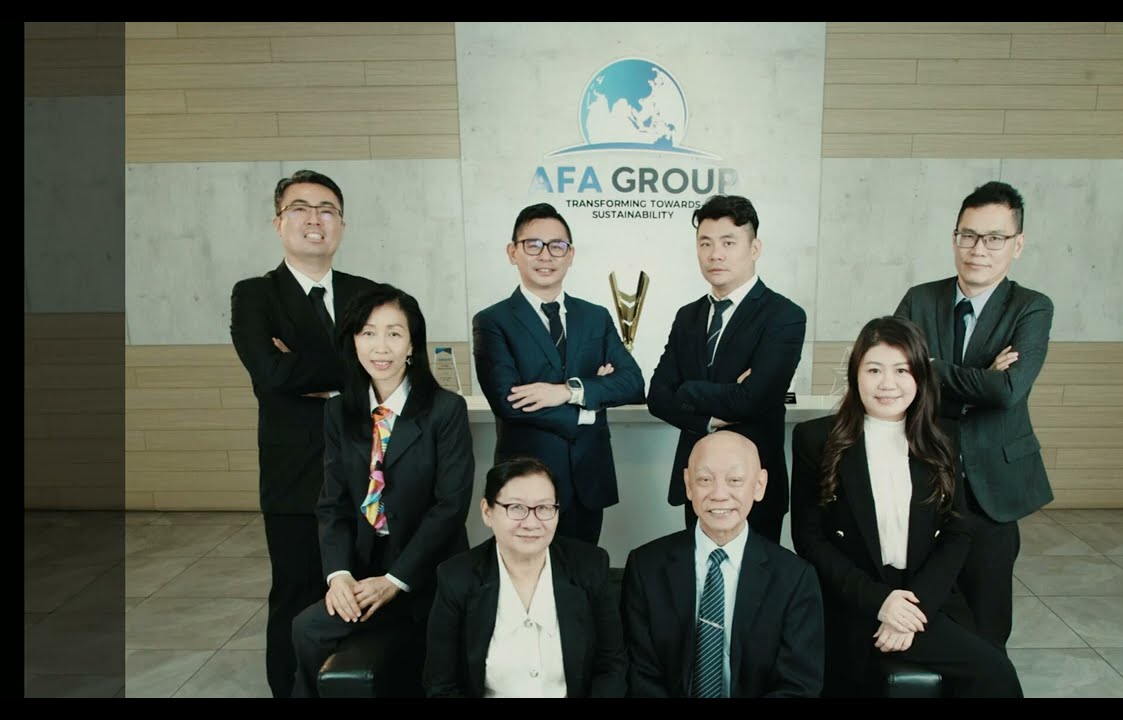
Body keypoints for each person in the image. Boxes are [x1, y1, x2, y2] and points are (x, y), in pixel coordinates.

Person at [791, 316, 1023, 697]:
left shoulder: (943, 438)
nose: (888, 384)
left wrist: (913, 610)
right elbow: (809, 539)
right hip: (853, 598)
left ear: (919, 376)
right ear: (855, 374)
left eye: (902, 370)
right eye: (874, 370)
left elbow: (957, 532)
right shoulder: (815, 439)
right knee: (992, 674)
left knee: (994, 671)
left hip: (924, 595)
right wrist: (880, 603)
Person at [229, 169, 376, 697]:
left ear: (342, 224)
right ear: (279, 222)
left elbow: (397, 366)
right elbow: (270, 375)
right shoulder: (255, 295)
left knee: (364, 592)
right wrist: (352, 365)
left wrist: (306, 367)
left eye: (327, 209)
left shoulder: (367, 294)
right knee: (296, 594)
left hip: (368, 471)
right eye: (300, 208)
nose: (315, 219)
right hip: (295, 476)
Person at [291, 284, 474, 697]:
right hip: (363, 566)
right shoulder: (339, 411)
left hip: (426, 569)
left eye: (394, 333)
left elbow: (450, 507)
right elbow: (333, 504)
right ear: (353, 341)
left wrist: (395, 579)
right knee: (307, 628)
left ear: (411, 344)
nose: (381, 347)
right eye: (368, 333)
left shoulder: (445, 409)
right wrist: (339, 575)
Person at [894, 180, 1054, 651]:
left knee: (988, 618)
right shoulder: (920, 299)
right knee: (919, 606)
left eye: (995, 238)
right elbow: (898, 379)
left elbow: (1008, 391)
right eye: (968, 235)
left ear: (1017, 245)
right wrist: (979, 378)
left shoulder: (1031, 307)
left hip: (992, 488)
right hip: (923, 474)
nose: (978, 249)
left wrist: (931, 369)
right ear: (954, 237)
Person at [472, 203, 645, 545]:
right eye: (533, 245)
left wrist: (570, 391)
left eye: (557, 246)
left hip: (588, 478)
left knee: (583, 569)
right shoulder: (493, 321)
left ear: (570, 254)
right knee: (527, 571)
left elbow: (633, 383)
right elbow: (508, 402)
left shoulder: (595, 317)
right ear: (513, 252)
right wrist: (589, 408)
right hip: (524, 482)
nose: (546, 255)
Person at [646, 194, 805, 544]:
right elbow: (657, 397)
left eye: (728, 243)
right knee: (699, 571)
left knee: (756, 575)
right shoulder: (687, 316)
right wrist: (711, 416)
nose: (715, 254)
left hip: (753, 484)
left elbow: (752, 399)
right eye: (705, 243)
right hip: (698, 478)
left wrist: (687, 389)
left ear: (754, 248)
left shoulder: (784, 316)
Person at [621, 430, 824, 698]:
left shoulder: (795, 578)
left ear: (759, 485)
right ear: (688, 484)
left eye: (735, 480)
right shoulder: (645, 566)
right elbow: (640, 674)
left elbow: (798, 685)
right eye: (705, 480)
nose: (719, 494)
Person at [423, 456, 628, 698]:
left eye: (544, 508)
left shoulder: (589, 566)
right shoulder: (456, 577)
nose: (531, 523)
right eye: (516, 508)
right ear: (487, 512)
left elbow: (612, 666)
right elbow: (441, 686)